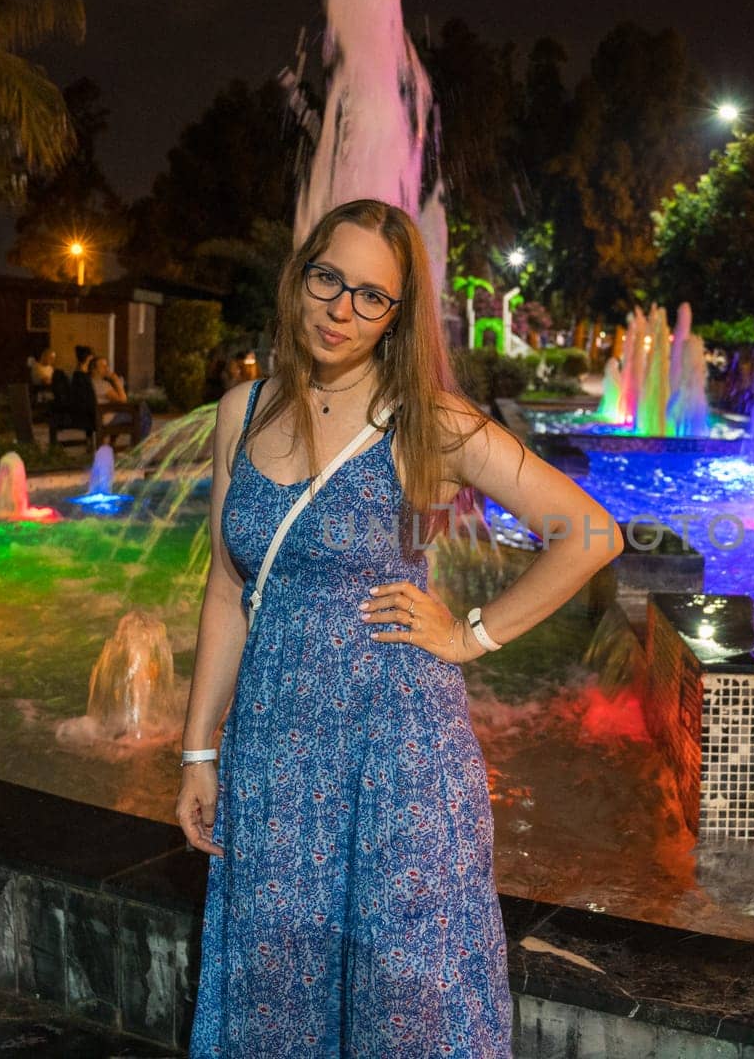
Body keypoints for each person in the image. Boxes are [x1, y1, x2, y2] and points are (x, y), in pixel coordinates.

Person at [178, 198, 623, 1056]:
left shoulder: (430, 420)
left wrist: (471, 635)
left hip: (398, 751)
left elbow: (588, 534)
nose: (342, 310)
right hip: (273, 748)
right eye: (328, 279)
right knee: (275, 980)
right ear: (300, 275)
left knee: (406, 993)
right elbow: (229, 585)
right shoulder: (244, 410)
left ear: (398, 314)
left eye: (372, 296)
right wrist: (200, 752)